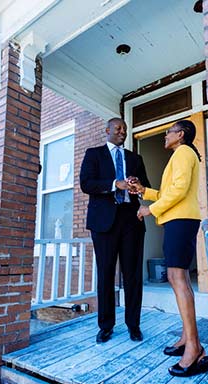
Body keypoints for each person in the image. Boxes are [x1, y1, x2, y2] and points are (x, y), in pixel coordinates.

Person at [128, 119, 208, 377]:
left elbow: (179, 191)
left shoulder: (184, 152)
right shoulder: (180, 155)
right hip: (178, 219)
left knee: (176, 277)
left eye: (169, 131)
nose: (165, 135)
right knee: (180, 277)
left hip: (181, 220)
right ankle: (187, 338)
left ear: (181, 135)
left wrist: (149, 209)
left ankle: (194, 348)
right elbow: (168, 191)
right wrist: (144, 191)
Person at [79, 118, 151, 343]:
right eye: (118, 129)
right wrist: (114, 184)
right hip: (104, 223)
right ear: (107, 130)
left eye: (125, 130)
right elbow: (86, 184)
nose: (123, 132)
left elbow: (145, 188)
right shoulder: (94, 154)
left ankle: (134, 325)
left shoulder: (134, 158)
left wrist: (138, 185)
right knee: (106, 274)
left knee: (133, 275)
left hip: (131, 221)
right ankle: (106, 326)